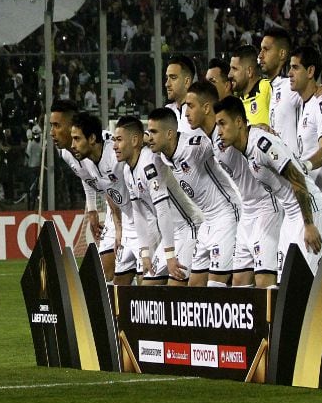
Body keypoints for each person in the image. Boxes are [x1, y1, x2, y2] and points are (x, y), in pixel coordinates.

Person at [214, 96, 322, 277]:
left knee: (308, 282)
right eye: (217, 125)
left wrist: (309, 224)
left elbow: (297, 178)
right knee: (284, 281)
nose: (219, 131)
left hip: (309, 211)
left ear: (239, 122)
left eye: (223, 124)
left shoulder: (262, 145)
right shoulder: (247, 147)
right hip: (290, 215)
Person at [186, 82, 283, 288]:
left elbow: (248, 134)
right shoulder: (211, 139)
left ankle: (276, 319)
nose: (186, 112)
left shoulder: (229, 134)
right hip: (248, 211)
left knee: (265, 283)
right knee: (239, 283)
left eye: (191, 106)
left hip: (266, 207)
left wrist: (257, 127)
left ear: (206, 108)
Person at [146, 107, 242, 287]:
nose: (149, 137)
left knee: (216, 286)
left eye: (153, 132)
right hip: (208, 221)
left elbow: (218, 143)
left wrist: (253, 129)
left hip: (227, 213)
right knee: (194, 286)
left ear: (169, 134)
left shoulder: (193, 147)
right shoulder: (163, 156)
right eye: (147, 132)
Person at [113, 115, 199, 285]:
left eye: (119, 140)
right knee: (147, 288)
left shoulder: (149, 163)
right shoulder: (127, 171)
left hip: (188, 227)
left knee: (174, 288)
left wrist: (169, 255)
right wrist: (145, 252)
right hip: (172, 233)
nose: (115, 146)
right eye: (114, 140)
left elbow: (163, 210)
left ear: (135, 140)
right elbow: (138, 213)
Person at [70, 112, 142, 286]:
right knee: (116, 288)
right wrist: (119, 228)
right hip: (127, 222)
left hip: (144, 222)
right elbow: (109, 193)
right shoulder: (87, 162)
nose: (73, 145)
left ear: (92, 138)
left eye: (77, 139)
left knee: (146, 287)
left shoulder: (116, 156)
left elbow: (141, 147)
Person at [49, 99, 112, 279]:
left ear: (72, 126)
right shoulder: (66, 153)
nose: (52, 133)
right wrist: (92, 209)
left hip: (135, 211)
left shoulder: (100, 145)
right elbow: (85, 176)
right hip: (115, 209)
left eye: (56, 126)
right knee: (106, 273)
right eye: (51, 126)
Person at [289, 46, 322, 244]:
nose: (290, 73)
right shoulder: (303, 103)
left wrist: (302, 168)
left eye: (295, 68)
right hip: (309, 199)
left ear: (310, 71)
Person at [228, 44, 271, 126]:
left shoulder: (266, 87)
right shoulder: (237, 103)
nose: (229, 74)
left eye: (234, 69)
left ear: (249, 71)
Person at [164, 55, 197, 132]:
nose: (167, 84)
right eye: (167, 78)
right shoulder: (168, 110)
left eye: (173, 78)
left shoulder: (199, 112)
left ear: (187, 81)